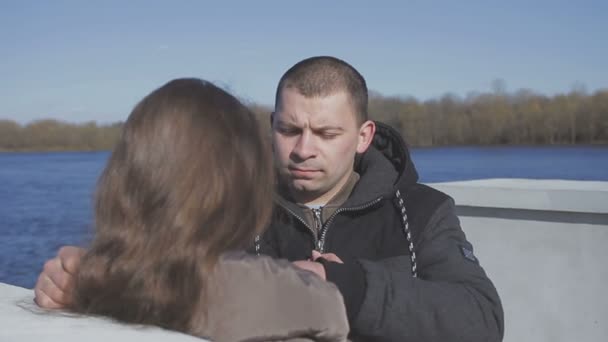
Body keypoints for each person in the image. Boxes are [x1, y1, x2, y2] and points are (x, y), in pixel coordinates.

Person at [36, 57, 504, 341]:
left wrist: (350, 284)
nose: (303, 149)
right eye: (288, 129)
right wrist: (88, 275)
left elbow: (480, 320)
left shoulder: (422, 211)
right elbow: (170, 273)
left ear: (363, 137)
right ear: (271, 126)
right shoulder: (229, 205)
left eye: (326, 133)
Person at [42, 78, 349, 342]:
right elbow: (330, 308)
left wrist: (82, 277)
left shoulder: (97, 278)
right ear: (240, 185)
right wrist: (325, 277)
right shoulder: (259, 289)